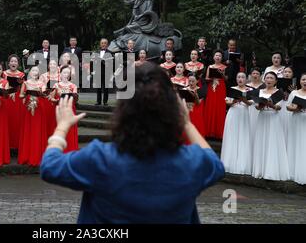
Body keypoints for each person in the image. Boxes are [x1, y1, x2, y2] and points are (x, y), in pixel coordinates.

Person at [40, 63, 224, 223]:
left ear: (123, 110)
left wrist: (62, 127)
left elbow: (50, 166)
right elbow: (214, 163)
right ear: (172, 110)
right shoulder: (191, 162)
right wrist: (186, 123)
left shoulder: (100, 158)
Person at [252, 72, 289, 181]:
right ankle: (260, 169)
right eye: (267, 77)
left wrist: (271, 105)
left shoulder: (279, 92)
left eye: (271, 78)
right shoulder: (260, 91)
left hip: (273, 118)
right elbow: (256, 107)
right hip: (262, 117)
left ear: (275, 81)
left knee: (272, 142)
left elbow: (279, 107)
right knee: (262, 141)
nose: (269, 80)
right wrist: (260, 106)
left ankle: (271, 170)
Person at [221, 73, 253, 175]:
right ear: (236, 79)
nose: (240, 79)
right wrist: (233, 101)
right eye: (238, 77)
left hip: (244, 113)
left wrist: (244, 100)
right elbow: (227, 102)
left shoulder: (250, 90)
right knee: (232, 136)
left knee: (243, 136)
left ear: (246, 79)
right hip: (233, 113)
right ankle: (229, 163)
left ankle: (242, 164)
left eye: (243, 77)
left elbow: (251, 103)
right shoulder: (232, 88)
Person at [18, 66, 48, 166]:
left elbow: (44, 95)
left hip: (39, 109)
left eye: (37, 71)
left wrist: (41, 93)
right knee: (28, 129)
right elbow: (20, 95)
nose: (35, 72)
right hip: (28, 108)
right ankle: (26, 155)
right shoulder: (25, 83)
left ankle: (38, 155)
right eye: (33, 70)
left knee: (37, 130)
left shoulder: (42, 83)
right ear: (30, 72)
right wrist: (27, 94)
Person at [49, 65, 79, 153]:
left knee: (69, 130)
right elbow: (51, 98)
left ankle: (70, 150)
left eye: (68, 73)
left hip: (69, 110)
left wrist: (74, 96)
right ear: (60, 74)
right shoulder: (56, 85)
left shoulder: (73, 86)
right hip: (58, 110)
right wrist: (56, 100)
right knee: (58, 129)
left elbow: (75, 99)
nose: (66, 75)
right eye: (64, 73)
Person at [286, 73, 306, 184]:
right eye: (303, 79)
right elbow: (288, 106)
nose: (305, 82)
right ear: (300, 81)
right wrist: (296, 108)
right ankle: (293, 170)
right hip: (296, 120)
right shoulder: (294, 93)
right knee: (296, 144)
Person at [203, 50, 228, 140]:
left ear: (222, 58)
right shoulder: (210, 66)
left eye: (219, 56)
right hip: (212, 87)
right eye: (216, 55)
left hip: (221, 87)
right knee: (210, 107)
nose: (217, 57)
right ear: (213, 57)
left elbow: (226, 79)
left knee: (220, 107)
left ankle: (219, 133)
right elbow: (206, 78)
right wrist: (211, 77)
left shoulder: (225, 67)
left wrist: (222, 74)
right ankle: (208, 132)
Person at [3, 54, 26, 150]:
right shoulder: (3, 73)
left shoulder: (21, 75)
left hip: (17, 99)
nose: (13, 63)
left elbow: (24, 89)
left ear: (18, 64)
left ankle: (16, 143)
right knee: (6, 120)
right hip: (7, 98)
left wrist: (20, 85)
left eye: (15, 61)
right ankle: (6, 143)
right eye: (11, 61)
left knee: (17, 120)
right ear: (8, 63)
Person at [39, 59, 60, 136]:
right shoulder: (43, 76)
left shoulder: (60, 76)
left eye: (54, 64)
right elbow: (40, 87)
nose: (52, 66)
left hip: (57, 101)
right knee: (47, 120)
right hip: (46, 100)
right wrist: (46, 90)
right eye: (50, 64)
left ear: (57, 66)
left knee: (55, 120)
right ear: (48, 66)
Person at [92, 39, 113, 106]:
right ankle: (98, 101)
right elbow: (93, 62)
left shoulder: (110, 52)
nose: (103, 44)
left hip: (106, 72)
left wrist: (104, 61)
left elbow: (112, 63)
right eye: (102, 43)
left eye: (105, 43)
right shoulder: (96, 52)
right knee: (98, 87)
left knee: (106, 88)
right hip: (98, 72)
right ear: (100, 44)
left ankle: (105, 101)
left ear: (107, 44)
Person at [246, 67, 264, 143]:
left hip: (259, 108)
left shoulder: (264, 86)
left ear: (260, 75)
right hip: (249, 108)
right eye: (253, 73)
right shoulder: (246, 86)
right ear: (250, 75)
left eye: (257, 73)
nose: (255, 75)